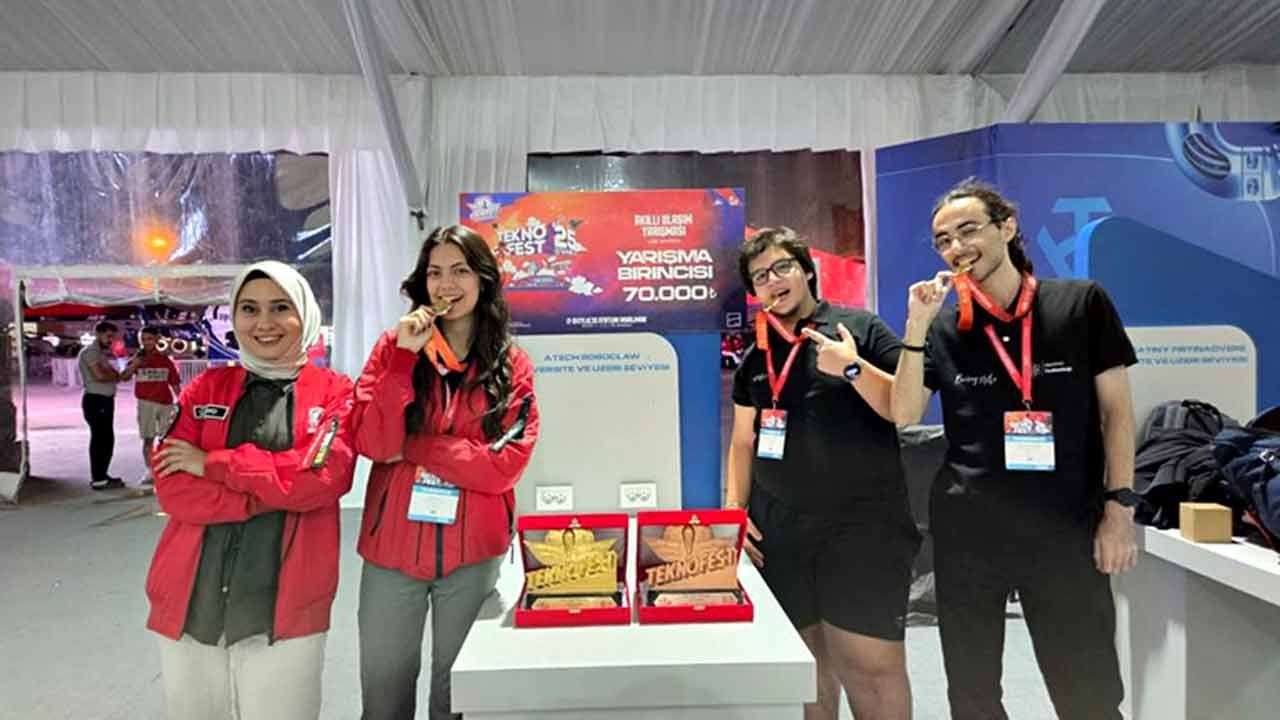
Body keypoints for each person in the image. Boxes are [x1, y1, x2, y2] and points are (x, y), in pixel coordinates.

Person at [890, 178, 1138, 720]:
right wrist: (915, 326)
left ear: (1006, 228)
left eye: (968, 230)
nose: (956, 247)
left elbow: (1117, 415)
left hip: (1064, 528)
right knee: (972, 695)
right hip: (968, 532)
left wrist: (1119, 509)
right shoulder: (945, 327)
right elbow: (903, 413)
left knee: (1088, 692)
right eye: (943, 240)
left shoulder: (1080, 304)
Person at [144, 261, 357, 720]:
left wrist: (213, 464)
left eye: (280, 307)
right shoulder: (206, 388)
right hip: (191, 595)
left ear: (305, 314)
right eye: (249, 309)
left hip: (286, 601)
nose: (264, 322)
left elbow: (324, 479)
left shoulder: (334, 393)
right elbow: (173, 488)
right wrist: (270, 494)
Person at [726, 227, 920, 720]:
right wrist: (734, 511)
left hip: (863, 528)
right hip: (781, 531)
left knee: (869, 667)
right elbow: (744, 439)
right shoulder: (756, 355)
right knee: (804, 669)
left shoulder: (860, 328)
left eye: (782, 267)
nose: (773, 281)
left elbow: (905, 408)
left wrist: (852, 368)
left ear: (807, 271)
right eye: (760, 276)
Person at [352, 224, 540, 720]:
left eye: (460, 271)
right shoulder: (393, 348)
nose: (446, 285)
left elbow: (502, 467)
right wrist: (402, 360)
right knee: (384, 693)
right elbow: (373, 443)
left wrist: (414, 445)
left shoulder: (512, 365)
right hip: (392, 552)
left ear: (483, 280)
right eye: (435, 273)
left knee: (458, 695)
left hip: (472, 553)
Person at [120, 325, 181, 485]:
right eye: (143, 339)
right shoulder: (137, 359)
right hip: (145, 403)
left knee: (167, 439)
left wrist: (182, 402)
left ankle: (168, 468)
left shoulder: (165, 360)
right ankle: (150, 470)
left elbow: (174, 383)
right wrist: (135, 364)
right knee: (148, 439)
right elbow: (124, 377)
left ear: (157, 340)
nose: (146, 342)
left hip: (165, 403)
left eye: (150, 339)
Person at [78, 320, 124, 490]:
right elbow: (99, 375)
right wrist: (115, 377)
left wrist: (113, 375)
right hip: (97, 400)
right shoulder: (91, 352)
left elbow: (111, 373)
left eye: (113, 337)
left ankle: (102, 475)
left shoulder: (100, 353)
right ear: (98, 334)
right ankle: (98, 478)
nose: (111, 340)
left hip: (103, 400)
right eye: (108, 336)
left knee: (105, 439)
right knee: (101, 439)